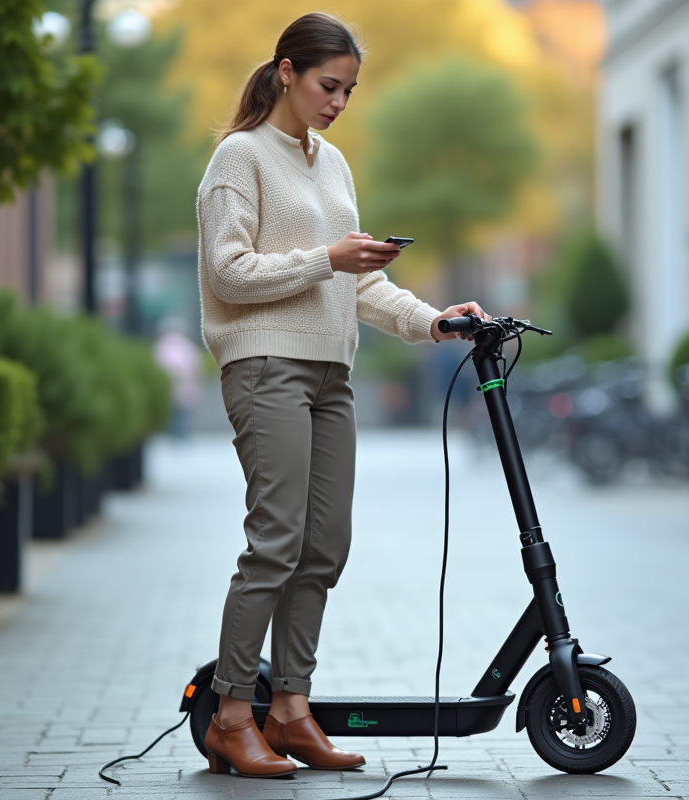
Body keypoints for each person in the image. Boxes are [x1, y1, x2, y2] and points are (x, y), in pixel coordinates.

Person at [195, 12, 487, 779]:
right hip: (265, 366)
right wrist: (326, 256)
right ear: (286, 71)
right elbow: (228, 272)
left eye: (350, 89)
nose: (340, 101)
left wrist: (435, 321)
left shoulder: (334, 165)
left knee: (324, 547)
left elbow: (363, 283)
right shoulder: (238, 158)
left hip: (331, 374)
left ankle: (291, 712)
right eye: (330, 85)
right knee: (276, 542)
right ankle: (232, 715)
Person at [152, 317, 202, 440]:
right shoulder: (189, 347)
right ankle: (181, 445)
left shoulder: (160, 346)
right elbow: (196, 370)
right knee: (183, 422)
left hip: (165, 392)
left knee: (168, 423)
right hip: (186, 391)